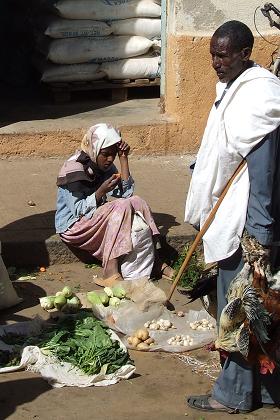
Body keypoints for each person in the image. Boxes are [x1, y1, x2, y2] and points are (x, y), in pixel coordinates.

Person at [185, 21, 280, 413]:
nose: (215, 63)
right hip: (236, 215)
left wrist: (258, 232)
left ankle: (233, 395)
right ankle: (271, 392)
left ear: (244, 53)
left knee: (238, 311)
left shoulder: (258, 98)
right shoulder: (235, 88)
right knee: (262, 308)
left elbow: (265, 173)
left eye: (222, 55)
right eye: (211, 54)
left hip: (247, 224)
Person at [55, 123, 173, 286]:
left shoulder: (102, 164)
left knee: (137, 201)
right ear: (95, 148)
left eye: (113, 154)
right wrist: (100, 192)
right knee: (122, 206)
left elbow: (127, 194)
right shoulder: (72, 169)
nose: (110, 159)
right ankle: (110, 270)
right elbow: (78, 210)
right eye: (106, 154)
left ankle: (156, 261)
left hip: (93, 221)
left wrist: (123, 158)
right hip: (73, 227)